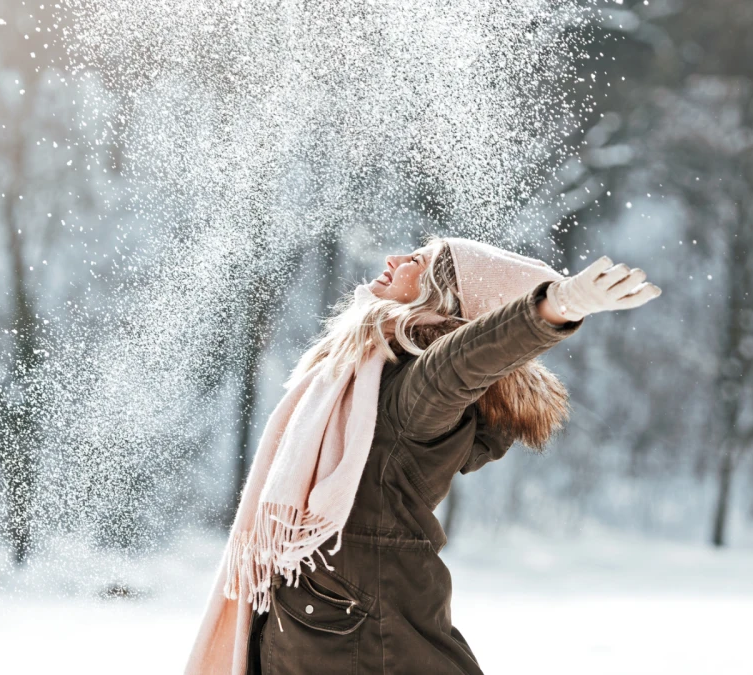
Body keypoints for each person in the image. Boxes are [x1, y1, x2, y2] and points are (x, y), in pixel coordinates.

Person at [186, 236, 661, 675]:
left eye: (417, 261)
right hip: (327, 625)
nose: (393, 260)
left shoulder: (410, 394)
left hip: (358, 636)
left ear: (442, 298)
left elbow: (460, 363)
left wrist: (554, 308)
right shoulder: (361, 379)